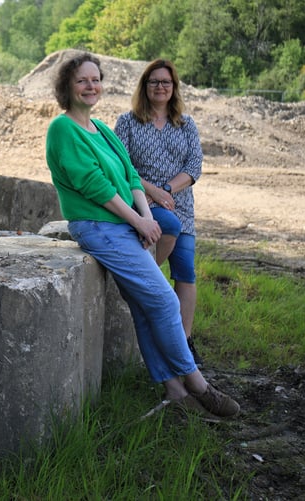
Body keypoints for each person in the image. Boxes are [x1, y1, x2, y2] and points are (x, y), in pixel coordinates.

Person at [44, 51, 238, 419]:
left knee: (145, 307)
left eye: (95, 79)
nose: (91, 86)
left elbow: (131, 176)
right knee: (165, 302)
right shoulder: (63, 128)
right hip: (99, 227)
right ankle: (197, 383)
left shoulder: (100, 129)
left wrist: (147, 218)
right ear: (67, 85)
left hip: (126, 225)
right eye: (82, 80)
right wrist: (137, 221)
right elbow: (92, 184)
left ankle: (175, 391)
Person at [114, 59, 204, 368]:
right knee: (157, 257)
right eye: (154, 82)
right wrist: (154, 192)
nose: (160, 87)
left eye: (166, 82)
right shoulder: (127, 122)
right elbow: (121, 165)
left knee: (186, 273)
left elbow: (194, 167)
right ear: (144, 86)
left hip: (182, 205)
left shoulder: (186, 124)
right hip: (141, 204)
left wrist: (169, 189)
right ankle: (149, 302)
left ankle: (185, 342)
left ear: (174, 87)